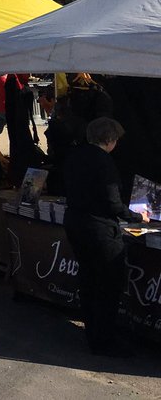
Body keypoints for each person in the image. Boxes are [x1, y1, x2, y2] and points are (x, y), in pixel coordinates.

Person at [64, 117, 143, 357]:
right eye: (115, 140)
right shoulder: (103, 161)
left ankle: (92, 334)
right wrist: (134, 217)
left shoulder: (75, 155)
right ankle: (104, 340)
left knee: (88, 279)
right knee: (108, 284)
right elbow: (112, 201)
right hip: (98, 228)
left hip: (75, 222)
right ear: (109, 139)